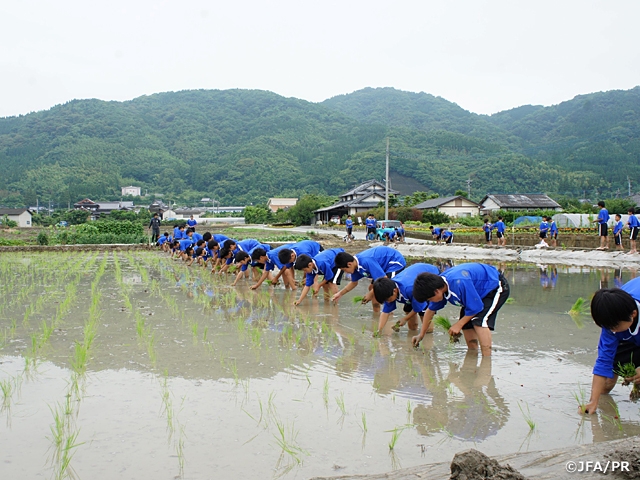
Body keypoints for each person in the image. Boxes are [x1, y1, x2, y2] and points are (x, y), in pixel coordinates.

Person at [411, 263, 510, 356]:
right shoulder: (440, 288)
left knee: (479, 321)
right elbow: (430, 311)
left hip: (495, 287)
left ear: (436, 292)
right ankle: (472, 357)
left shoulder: (459, 282)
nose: (430, 301)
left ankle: (486, 362)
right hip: (477, 293)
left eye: (429, 299)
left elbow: (477, 307)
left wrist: (458, 324)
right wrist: (421, 335)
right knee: (466, 325)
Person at [581, 279, 640, 414]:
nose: (611, 331)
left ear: (633, 314)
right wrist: (593, 401)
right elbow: (604, 361)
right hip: (630, 335)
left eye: (614, 327)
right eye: (607, 328)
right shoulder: (612, 321)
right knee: (604, 386)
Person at [372, 263, 440, 335]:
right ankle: (413, 333)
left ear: (395, 291)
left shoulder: (410, 289)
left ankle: (428, 340)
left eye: (388, 300)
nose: (387, 302)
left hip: (429, 279)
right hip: (412, 283)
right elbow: (385, 312)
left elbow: (418, 307)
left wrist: (405, 319)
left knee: (427, 326)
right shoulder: (388, 290)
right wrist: (379, 330)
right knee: (409, 316)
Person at [331, 246, 406, 311]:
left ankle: (389, 315)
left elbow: (384, 279)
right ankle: (376, 313)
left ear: (349, 264)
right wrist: (340, 294)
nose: (346, 273)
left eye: (344, 270)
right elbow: (354, 283)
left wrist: (370, 294)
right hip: (382, 267)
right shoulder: (355, 267)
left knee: (385, 290)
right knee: (372, 288)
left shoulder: (366, 261)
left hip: (394, 262)